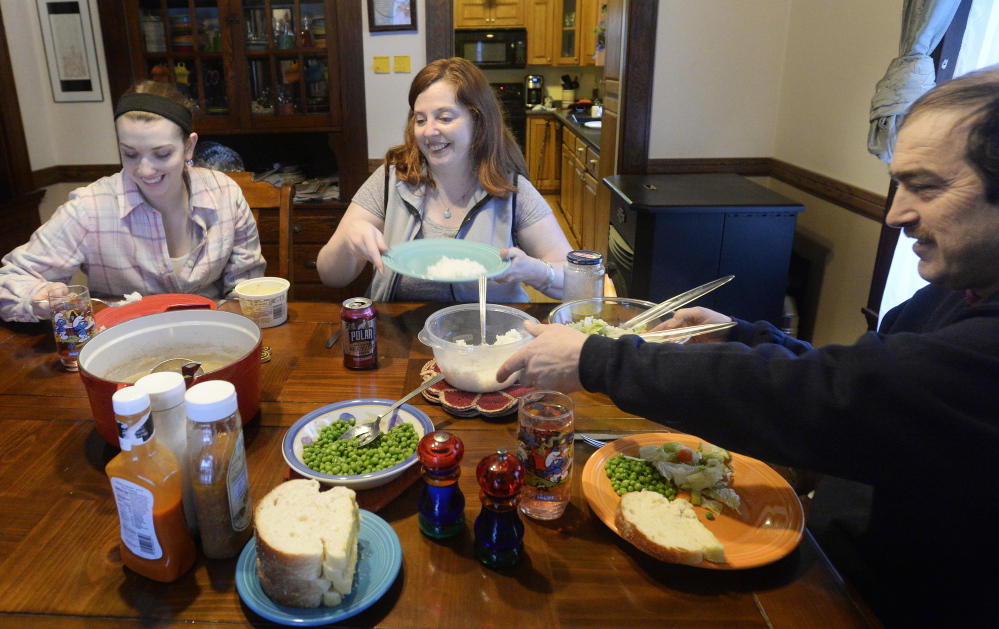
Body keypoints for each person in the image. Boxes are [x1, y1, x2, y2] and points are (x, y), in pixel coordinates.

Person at [497, 65, 999, 627]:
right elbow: (864, 381)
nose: (896, 213)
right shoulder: (958, 294)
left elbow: (827, 399)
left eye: (926, 186)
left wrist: (593, 360)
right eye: (897, 184)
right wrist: (742, 334)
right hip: (830, 558)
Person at [0, 81, 265, 322]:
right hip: (123, 346)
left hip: (213, 337)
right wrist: (38, 296)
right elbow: (9, 279)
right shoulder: (90, 208)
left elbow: (246, 289)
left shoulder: (225, 193)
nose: (145, 170)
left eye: (161, 154)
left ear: (188, 147)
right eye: (130, 154)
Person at [316, 57, 572, 302]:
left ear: (478, 120)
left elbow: (580, 280)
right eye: (420, 119)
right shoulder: (389, 181)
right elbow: (330, 277)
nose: (429, 132)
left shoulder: (512, 192)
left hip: (486, 338)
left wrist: (537, 271)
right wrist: (347, 241)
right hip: (400, 337)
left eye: (445, 118)